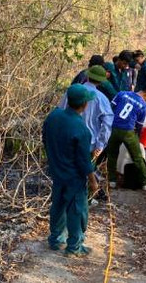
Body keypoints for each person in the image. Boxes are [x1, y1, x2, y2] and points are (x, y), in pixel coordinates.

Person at [43, 84, 99, 257]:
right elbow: (84, 161)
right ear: (84, 105)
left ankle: (55, 239)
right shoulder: (81, 128)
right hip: (74, 176)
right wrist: (92, 180)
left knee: (58, 205)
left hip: (57, 171)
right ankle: (74, 246)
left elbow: (45, 138)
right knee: (76, 210)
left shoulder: (53, 116)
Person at [106, 82, 146, 191]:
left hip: (114, 128)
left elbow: (110, 108)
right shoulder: (143, 105)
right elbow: (139, 125)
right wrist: (136, 136)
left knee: (112, 155)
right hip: (128, 131)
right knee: (137, 157)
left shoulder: (122, 94)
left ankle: (112, 181)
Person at [59, 66, 114, 161]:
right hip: (88, 146)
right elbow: (108, 124)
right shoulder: (102, 99)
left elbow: (60, 112)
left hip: (67, 141)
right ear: (101, 81)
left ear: (88, 76)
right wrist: (100, 145)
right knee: (85, 173)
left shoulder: (72, 91)